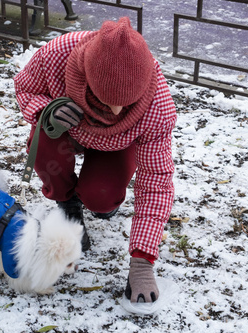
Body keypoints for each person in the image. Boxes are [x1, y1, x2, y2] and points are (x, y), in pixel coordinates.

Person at [13, 16, 176, 305]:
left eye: (126, 104)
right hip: (66, 134)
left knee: (101, 198)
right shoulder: (57, 54)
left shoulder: (158, 105)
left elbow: (157, 181)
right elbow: (24, 88)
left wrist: (142, 261)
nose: (115, 111)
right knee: (44, 146)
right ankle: (67, 202)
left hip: (117, 146)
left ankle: (99, 197)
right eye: (106, 100)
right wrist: (44, 111)